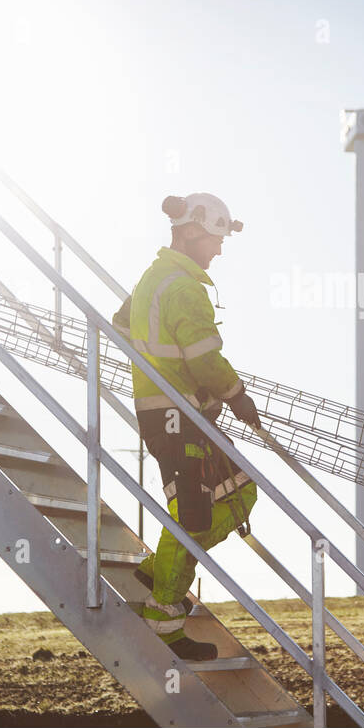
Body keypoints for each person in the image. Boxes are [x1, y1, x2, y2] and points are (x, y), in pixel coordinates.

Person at [112, 193, 262, 661]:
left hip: (177, 414)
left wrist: (160, 373)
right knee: (194, 518)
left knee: (240, 492)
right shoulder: (183, 287)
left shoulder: (153, 279)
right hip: (178, 419)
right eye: (215, 240)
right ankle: (163, 620)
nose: (218, 251)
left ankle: (158, 571)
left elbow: (121, 324)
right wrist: (238, 397)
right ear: (193, 231)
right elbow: (204, 358)